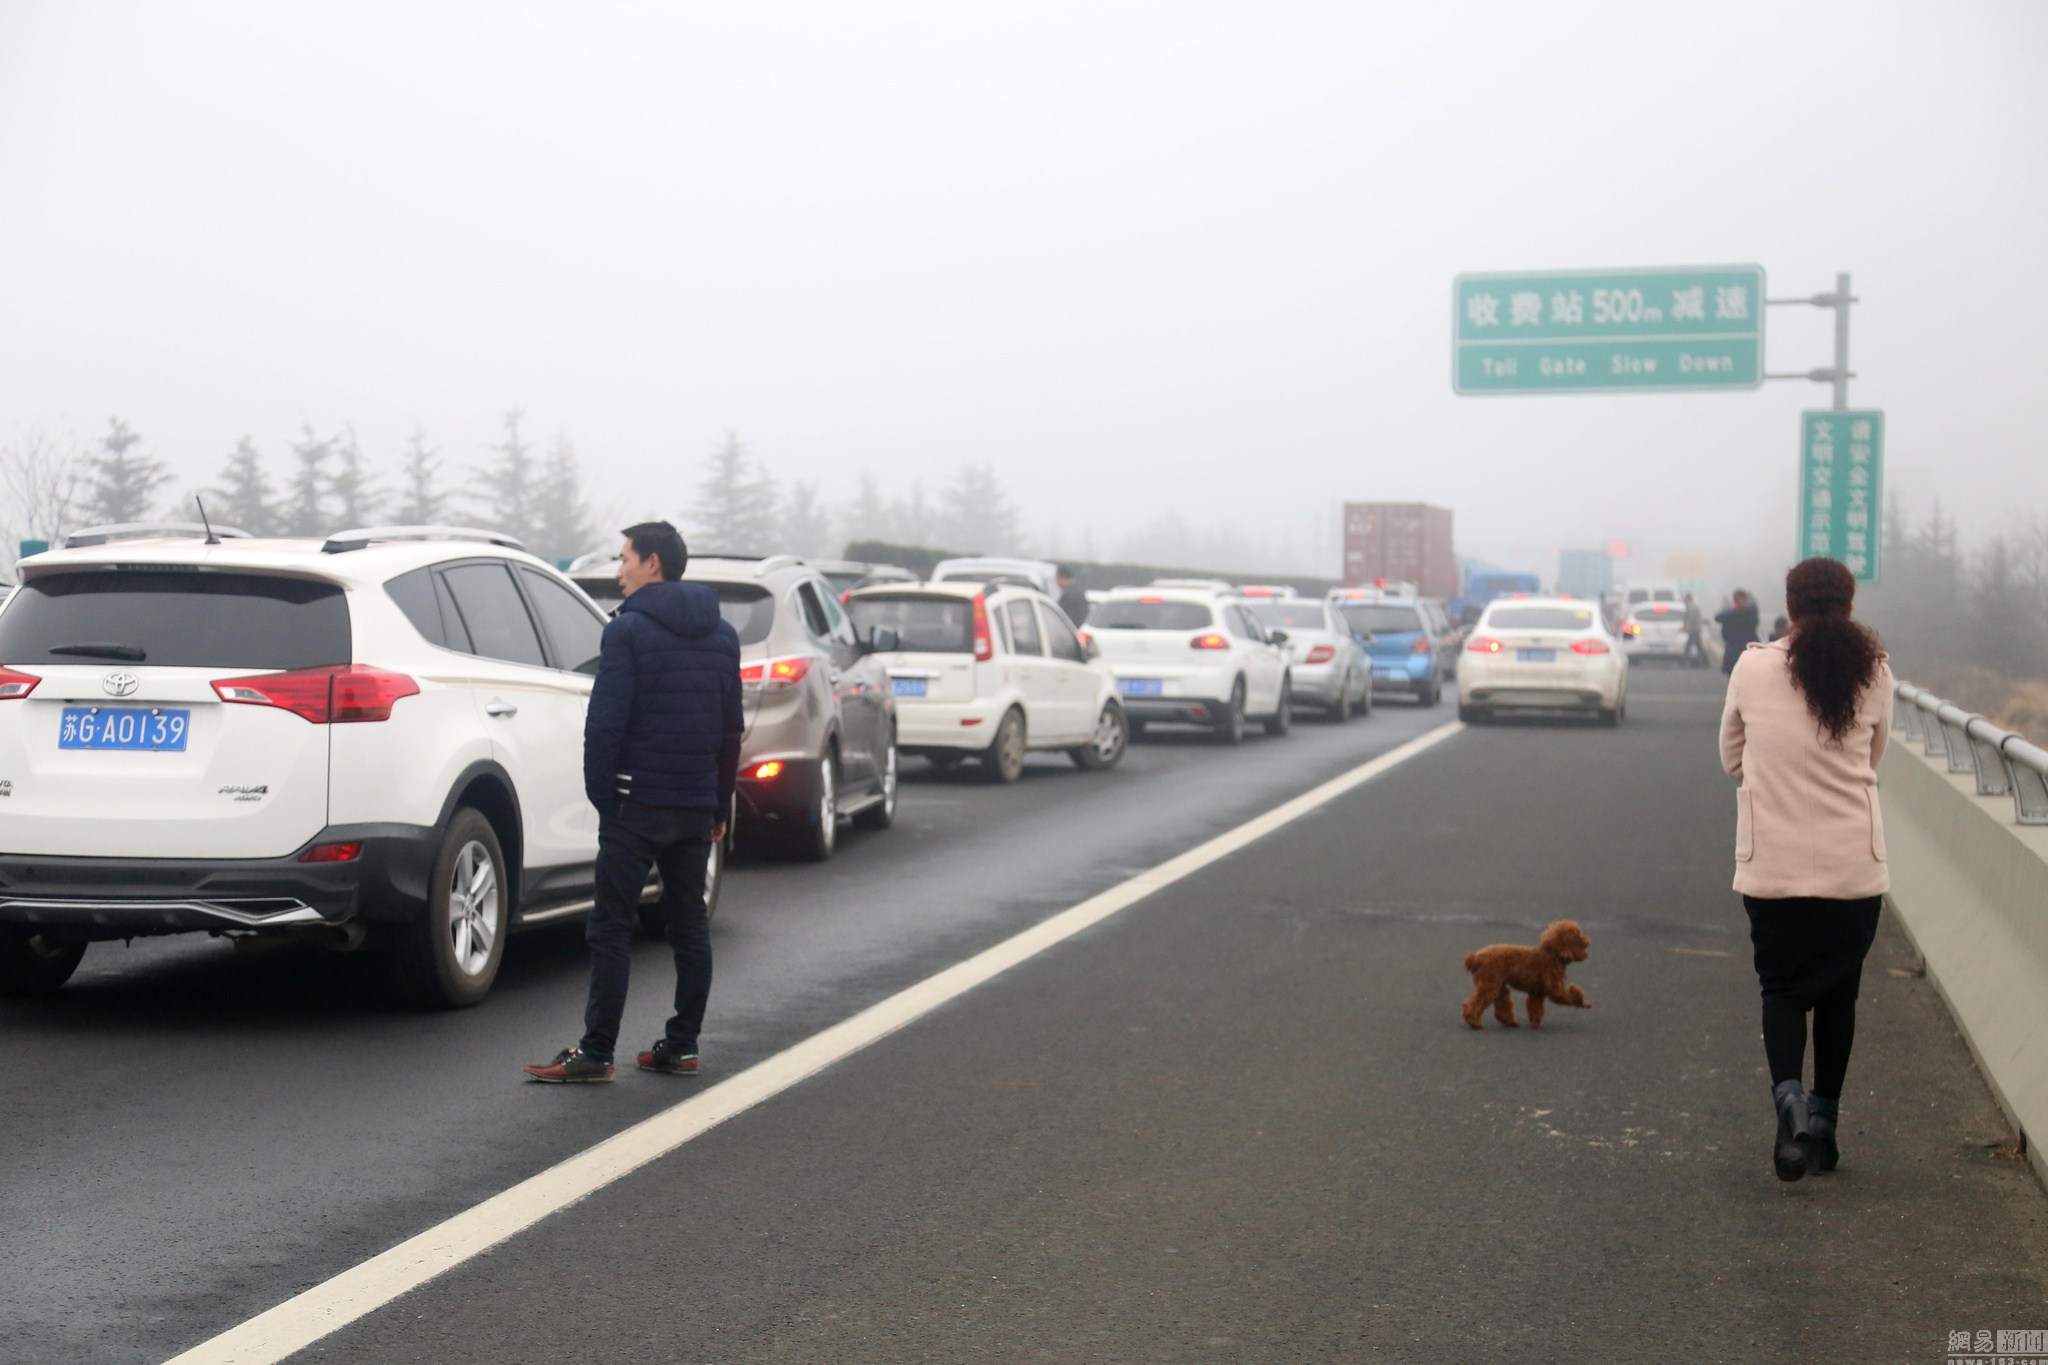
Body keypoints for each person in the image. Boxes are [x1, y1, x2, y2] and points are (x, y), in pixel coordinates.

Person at [525, 521, 743, 1084]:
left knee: (611, 928)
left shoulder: (627, 633)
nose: (618, 570)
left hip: (636, 804)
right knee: (688, 924)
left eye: (625, 559)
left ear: (652, 563)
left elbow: (605, 726)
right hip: (695, 806)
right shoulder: (722, 635)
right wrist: (718, 805)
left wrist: (605, 800)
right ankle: (682, 1046)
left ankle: (597, 1052)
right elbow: (729, 730)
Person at [1718, 557, 1892, 1182]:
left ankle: (1787, 1100)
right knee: (1840, 993)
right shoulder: (1873, 671)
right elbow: (1875, 756)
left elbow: (1732, 757)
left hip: (1774, 865)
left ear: (1789, 607)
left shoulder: (1753, 666)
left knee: (1783, 989)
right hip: (1853, 867)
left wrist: (1774, 777)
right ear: (1849, 607)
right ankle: (1824, 1125)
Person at [1714, 589, 1759, 676]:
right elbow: (1717, 617)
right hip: (1736, 653)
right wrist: (1737, 609)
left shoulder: (1750, 613)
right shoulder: (1732, 614)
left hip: (1746, 652)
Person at [1682, 592, 1707, 668]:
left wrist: (1688, 628)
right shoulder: (1692, 606)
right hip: (1696, 629)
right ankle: (1705, 661)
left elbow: (1691, 619)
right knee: (1699, 646)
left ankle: (1685, 662)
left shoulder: (1691, 607)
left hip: (1694, 629)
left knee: (1688, 646)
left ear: (1687, 599)